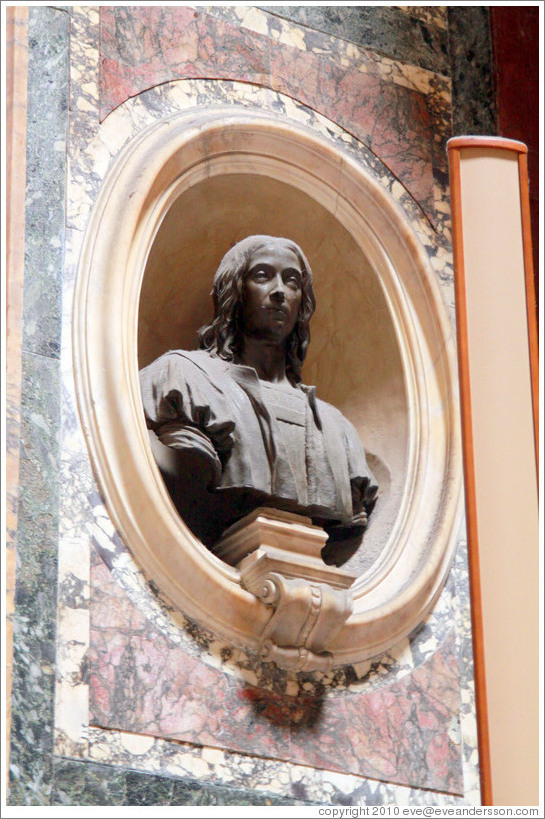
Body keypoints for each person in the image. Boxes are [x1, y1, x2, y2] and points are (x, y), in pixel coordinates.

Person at [139, 235, 378, 564]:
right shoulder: (182, 377)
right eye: (263, 275)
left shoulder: (337, 428)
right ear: (234, 292)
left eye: (291, 281)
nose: (280, 290)